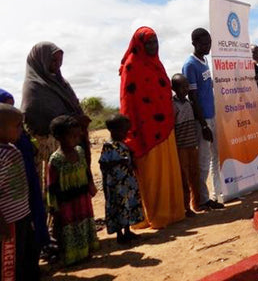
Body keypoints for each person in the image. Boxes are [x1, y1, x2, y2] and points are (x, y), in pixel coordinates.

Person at [119, 26, 185, 228]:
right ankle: (154, 216)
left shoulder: (157, 64)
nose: (153, 46)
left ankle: (172, 212)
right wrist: (132, 132)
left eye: (155, 42)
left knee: (167, 171)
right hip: (145, 131)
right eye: (148, 43)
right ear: (139, 45)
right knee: (151, 175)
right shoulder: (131, 66)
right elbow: (128, 103)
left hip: (164, 127)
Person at [21, 42, 92, 189]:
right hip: (47, 147)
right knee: (53, 188)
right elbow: (35, 118)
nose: (57, 65)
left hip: (70, 143)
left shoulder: (61, 83)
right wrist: (74, 120)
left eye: (60, 61)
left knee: (72, 187)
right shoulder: (34, 87)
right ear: (41, 59)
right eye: (53, 60)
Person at [0, 89, 51, 252]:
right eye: (17, 125)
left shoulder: (16, 142)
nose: (21, 129)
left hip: (24, 203)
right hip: (9, 216)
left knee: (28, 241)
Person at [47, 115, 99, 265]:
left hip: (82, 197)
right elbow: (51, 186)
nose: (77, 139)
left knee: (83, 223)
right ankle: (73, 257)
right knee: (70, 227)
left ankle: (85, 251)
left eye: (78, 135)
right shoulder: (56, 159)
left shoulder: (80, 151)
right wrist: (53, 207)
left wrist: (91, 185)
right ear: (59, 137)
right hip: (66, 202)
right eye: (72, 136)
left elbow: (86, 169)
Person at [182, 28, 224, 210]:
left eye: (209, 43)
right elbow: (193, 96)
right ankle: (201, 199)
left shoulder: (204, 61)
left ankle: (217, 194)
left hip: (212, 115)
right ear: (194, 44)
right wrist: (203, 124)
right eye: (204, 44)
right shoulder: (190, 65)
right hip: (202, 119)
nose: (208, 47)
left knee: (217, 157)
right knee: (203, 161)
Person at [0, 104, 40, 280]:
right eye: (17, 126)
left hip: (21, 216)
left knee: (26, 256)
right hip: (8, 221)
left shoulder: (12, 148)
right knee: (10, 263)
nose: (20, 130)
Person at [99, 114, 144, 244]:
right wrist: (119, 162)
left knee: (127, 206)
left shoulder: (123, 145)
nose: (126, 133)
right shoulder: (109, 146)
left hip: (127, 183)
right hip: (115, 184)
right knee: (118, 208)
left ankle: (128, 231)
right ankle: (120, 235)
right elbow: (103, 164)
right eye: (124, 131)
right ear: (113, 131)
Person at [171, 74, 202, 215]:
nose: (185, 89)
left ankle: (197, 203)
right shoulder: (172, 105)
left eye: (187, 86)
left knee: (195, 174)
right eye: (182, 87)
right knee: (184, 177)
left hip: (193, 145)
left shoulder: (190, 104)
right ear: (174, 88)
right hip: (181, 147)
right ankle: (186, 207)